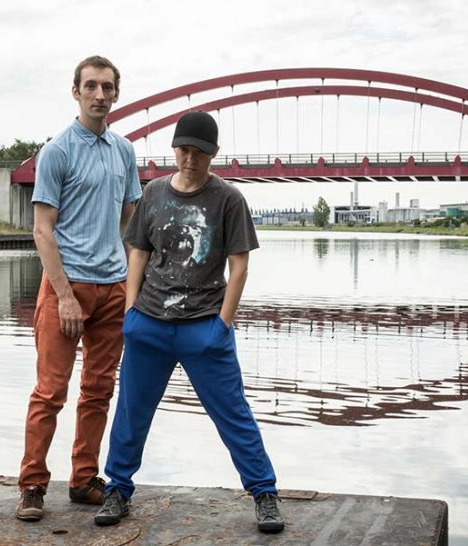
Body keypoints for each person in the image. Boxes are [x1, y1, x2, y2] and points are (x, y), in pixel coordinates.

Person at [94, 111, 284, 534]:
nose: (190, 159)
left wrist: (223, 325)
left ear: (213, 155)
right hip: (149, 323)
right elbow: (139, 253)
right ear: (174, 149)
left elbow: (239, 267)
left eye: (199, 153)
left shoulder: (228, 199)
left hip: (204, 327)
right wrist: (130, 314)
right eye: (183, 150)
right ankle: (118, 489)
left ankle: (264, 493)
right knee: (131, 411)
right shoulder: (154, 193)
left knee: (233, 413)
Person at [15, 55, 142, 522]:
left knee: (98, 390)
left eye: (107, 87)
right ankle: (31, 484)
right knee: (50, 391)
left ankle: (84, 479)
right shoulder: (57, 152)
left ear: (116, 93)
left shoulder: (124, 152)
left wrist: (129, 281)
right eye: (91, 86)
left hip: (112, 290)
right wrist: (64, 294)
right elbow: (42, 231)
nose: (99, 95)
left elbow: (130, 219)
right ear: (76, 92)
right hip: (66, 289)